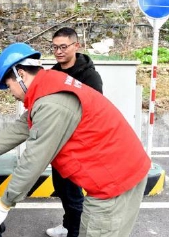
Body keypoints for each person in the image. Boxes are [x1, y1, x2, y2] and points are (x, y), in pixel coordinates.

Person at [0, 43, 151, 236]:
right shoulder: (50, 85)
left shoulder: (51, 104)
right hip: (121, 172)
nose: (11, 93)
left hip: (113, 184)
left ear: (20, 75)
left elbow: (34, 159)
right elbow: (20, 128)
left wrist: (4, 203)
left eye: (9, 86)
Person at [47, 27, 103, 237]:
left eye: (63, 46)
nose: (59, 51)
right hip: (58, 143)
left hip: (78, 145)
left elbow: (95, 112)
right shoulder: (52, 74)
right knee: (60, 188)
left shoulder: (90, 76)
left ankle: (75, 231)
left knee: (73, 193)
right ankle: (67, 224)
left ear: (75, 46)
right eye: (55, 47)